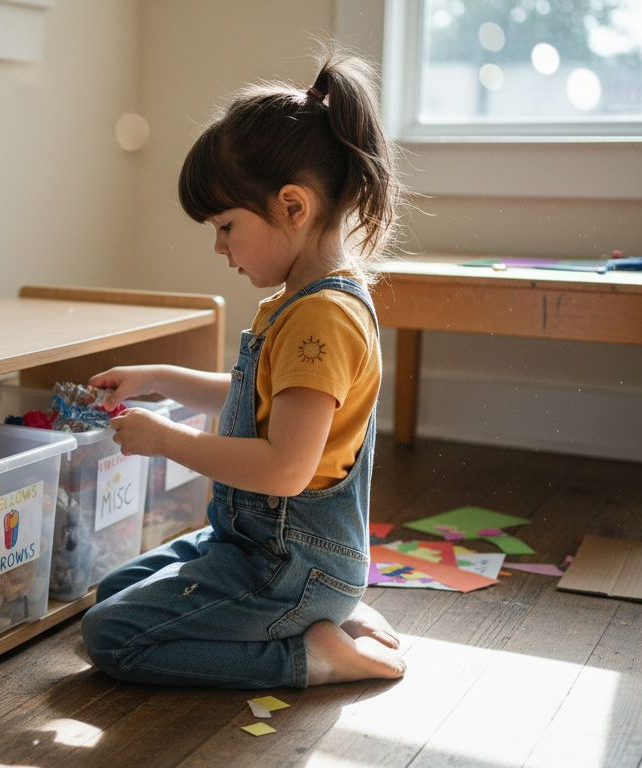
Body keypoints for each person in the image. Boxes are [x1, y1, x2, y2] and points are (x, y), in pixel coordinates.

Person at [81, 49, 408, 689]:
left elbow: (284, 468)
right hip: (256, 547)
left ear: (292, 207)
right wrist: (159, 377)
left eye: (227, 225)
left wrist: (166, 440)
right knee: (115, 590)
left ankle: (310, 654)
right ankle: (323, 614)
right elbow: (250, 401)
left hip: (288, 562)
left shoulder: (322, 318)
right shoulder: (297, 304)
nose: (218, 245)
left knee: (112, 636)